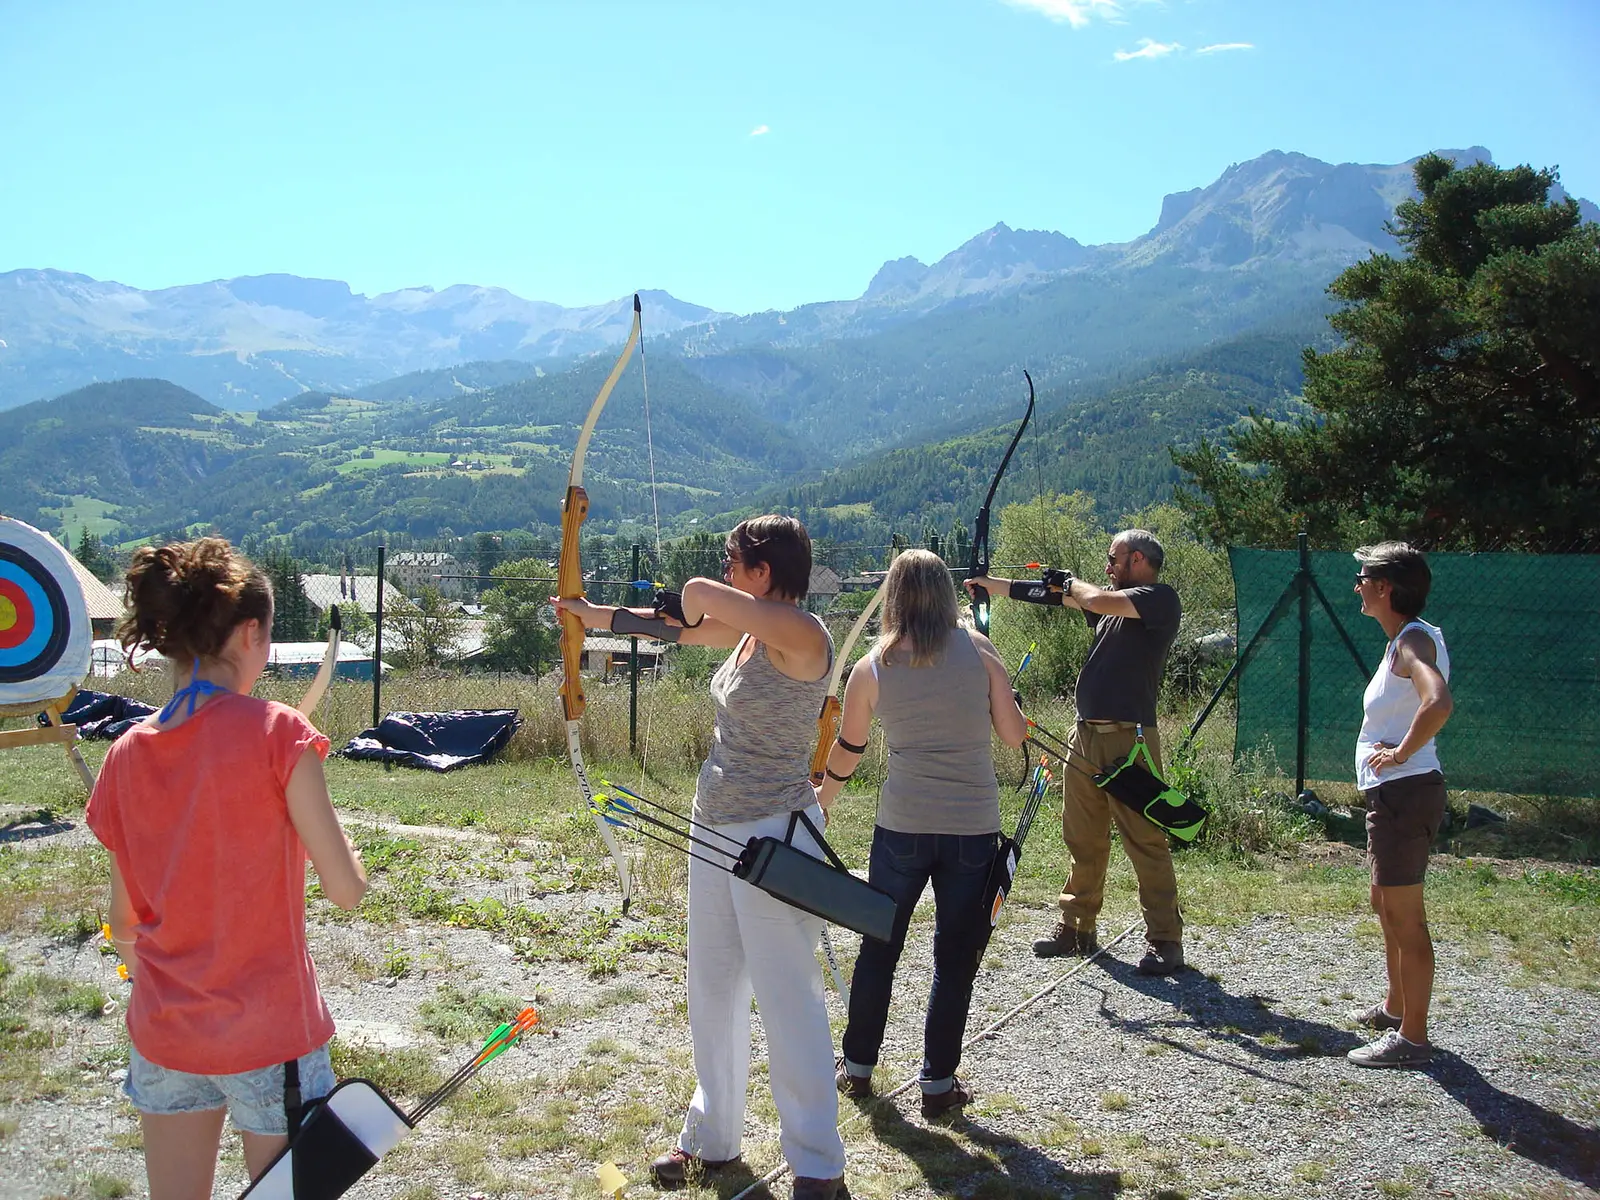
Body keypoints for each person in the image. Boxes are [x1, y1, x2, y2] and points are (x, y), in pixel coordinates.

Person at [553, 515, 846, 1200]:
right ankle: (713, 1137)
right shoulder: (750, 632)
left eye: (733, 560)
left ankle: (818, 1166)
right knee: (712, 988)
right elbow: (677, 627)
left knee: (787, 1000)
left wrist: (691, 587)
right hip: (715, 825)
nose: (724, 568)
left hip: (774, 833)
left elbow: (696, 598)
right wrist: (593, 614)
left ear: (763, 572)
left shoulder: (804, 635)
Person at [87, 538, 368, 1200]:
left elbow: (124, 923)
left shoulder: (126, 752)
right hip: (269, 1036)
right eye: (266, 641)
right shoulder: (278, 733)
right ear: (249, 633)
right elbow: (347, 889)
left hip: (165, 1033)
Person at [816, 550, 1026, 1116]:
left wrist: (823, 800)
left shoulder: (873, 665)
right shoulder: (981, 652)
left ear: (894, 595)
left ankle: (857, 1067)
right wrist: (1012, 710)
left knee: (878, 945)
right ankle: (938, 1084)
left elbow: (849, 748)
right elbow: (1012, 738)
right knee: (955, 957)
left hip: (902, 827)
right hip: (971, 828)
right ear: (947, 592)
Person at [967, 528, 1186, 975]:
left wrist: (1070, 584)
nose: (1108, 567)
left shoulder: (1158, 599)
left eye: (1114, 559)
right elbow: (1054, 596)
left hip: (1132, 743)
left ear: (1138, 559)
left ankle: (1165, 939)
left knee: (1145, 840)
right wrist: (994, 587)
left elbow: (1094, 597)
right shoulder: (1108, 605)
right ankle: (1076, 926)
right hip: (1086, 736)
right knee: (1082, 836)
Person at [1345, 542, 1453, 1069]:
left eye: (1363, 578)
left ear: (1386, 588)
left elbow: (1438, 701)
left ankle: (1413, 1039)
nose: (1358, 586)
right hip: (1391, 797)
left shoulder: (1412, 643)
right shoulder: (1404, 641)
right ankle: (1395, 1008)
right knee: (1384, 903)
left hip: (1406, 795)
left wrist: (1402, 752)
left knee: (1406, 918)